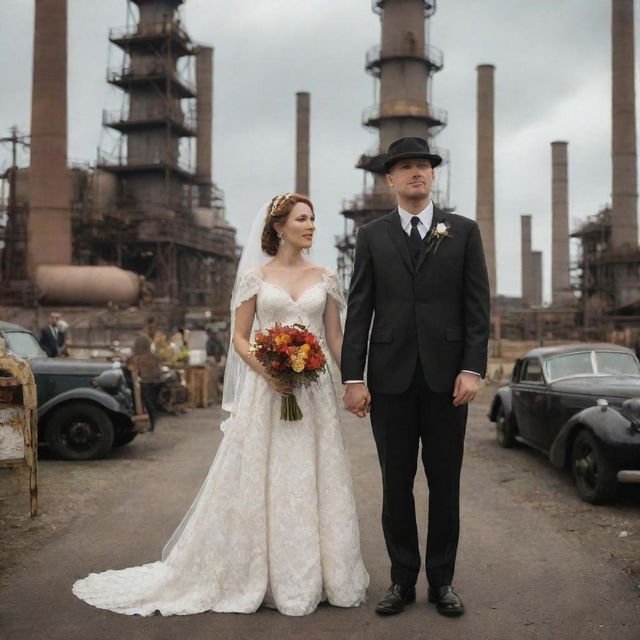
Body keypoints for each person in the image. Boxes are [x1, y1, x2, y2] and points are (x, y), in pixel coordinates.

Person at [72, 193, 369, 616]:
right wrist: (268, 370)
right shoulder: (255, 276)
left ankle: (321, 574)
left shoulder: (325, 277)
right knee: (265, 476)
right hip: (269, 392)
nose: (312, 226)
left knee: (314, 474)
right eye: (303, 219)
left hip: (315, 393)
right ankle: (257, 573)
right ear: (279, 226)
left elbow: (336, 337)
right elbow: (240, 337)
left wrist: (354, 381)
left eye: (314, 219)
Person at [342, 137, 490, 617]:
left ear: (433, 175)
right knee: (395, 485)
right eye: (406, 167)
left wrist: (472, 368)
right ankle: (401, 581)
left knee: (445, 485)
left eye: (423, 166)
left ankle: (442, 582)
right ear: (390, 179)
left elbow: (476, 309)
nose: (416, 173)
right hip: (390, 380)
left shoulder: (463, 231)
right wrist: (352, 377)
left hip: (450, 382)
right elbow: (360, 309)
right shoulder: (372, 236)